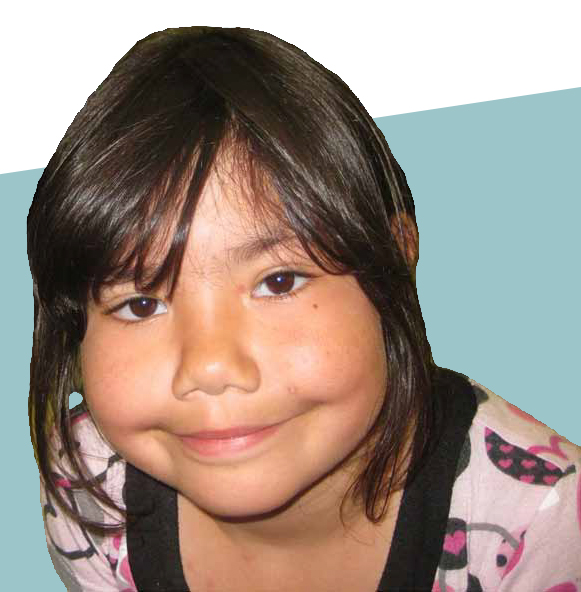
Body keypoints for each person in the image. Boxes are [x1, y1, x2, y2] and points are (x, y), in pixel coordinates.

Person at [28, 26, 581, 592]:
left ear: (394, 260)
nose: (210, 367)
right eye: (141, 303)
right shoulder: (88, 484)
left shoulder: (542, 524)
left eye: (279, 281)